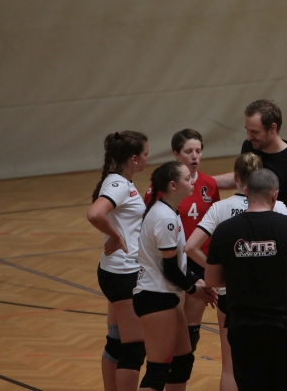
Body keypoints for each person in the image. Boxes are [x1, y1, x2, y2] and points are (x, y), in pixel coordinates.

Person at [205, 169, 287, 391]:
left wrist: (241, 273)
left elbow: (211, 279)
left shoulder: (225, 229)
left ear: (246, 191)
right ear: (275, 194)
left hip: (244, 328)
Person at [185, 152, 287, 391]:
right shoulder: (278, 207)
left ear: (235, 177)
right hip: (271, 295)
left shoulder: (219, 208)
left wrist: (218, 272)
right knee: (270, 362)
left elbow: (190, 247)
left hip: (231, 294)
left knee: (230, 367)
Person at [133, 161, 217, 391]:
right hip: (155, 297)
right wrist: (193, 289)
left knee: (182, 361)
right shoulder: (165, 218)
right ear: (173, 185)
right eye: (187, 179)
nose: (193, 181)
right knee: (158, 370)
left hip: (165, 295)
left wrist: (196, 280)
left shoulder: (171, 211)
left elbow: (178, 264)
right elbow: (169, 269)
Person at [143, 129, 220, 355]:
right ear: (176, 154)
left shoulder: (209, 184)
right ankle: (166, 364)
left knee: (191, 325)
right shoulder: (162, 187)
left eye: (198, 151)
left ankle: (182, 364)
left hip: (200, 259)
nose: (195, 156)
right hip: (172, 262)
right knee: (173, 323)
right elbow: (147, 223)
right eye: (188, 151)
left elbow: (215, 221)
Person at [86, 131, 149, 391]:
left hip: (116, 271)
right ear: (134, 158)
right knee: (133, 348)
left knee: (116, 342)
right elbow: (95, 214)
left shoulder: (121, 181)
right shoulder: (119, 184)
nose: (147, 158)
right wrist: (115, 236)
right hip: (123, 274)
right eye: (145, 154)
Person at [213, 99, 287, 228]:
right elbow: (240, 177)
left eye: (255, 132)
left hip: (279, 228)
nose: (249, 137)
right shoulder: (249, 146)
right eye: (247, 130)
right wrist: (203, 181)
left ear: (272, 128)